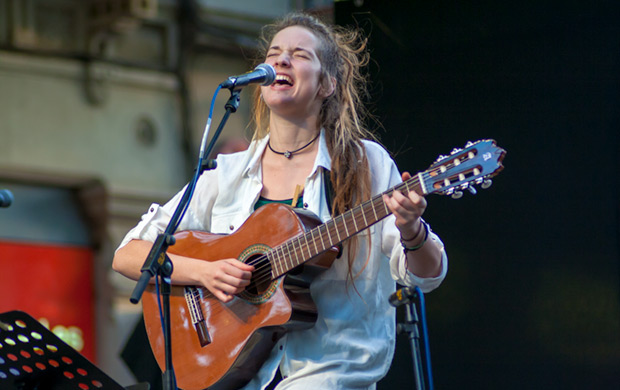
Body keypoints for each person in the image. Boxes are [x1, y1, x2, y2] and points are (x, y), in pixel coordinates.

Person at [112, 12, 447, 390]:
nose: (281, 60)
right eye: (274, 53)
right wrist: (204, 272)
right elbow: (127, 255)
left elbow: (425, 275)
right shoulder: (227, 172)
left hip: (327, 375)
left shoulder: (364, 163)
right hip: (238, 376)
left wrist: (412, 229)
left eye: (301, 55)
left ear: (327, 85)